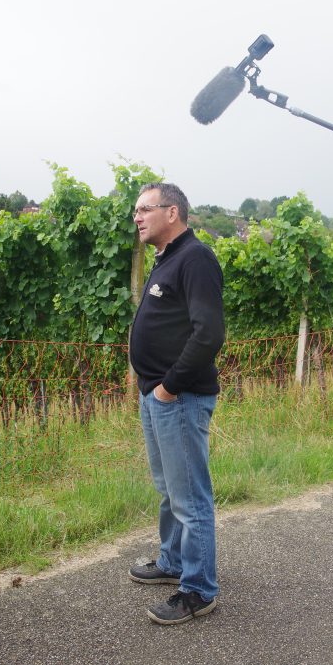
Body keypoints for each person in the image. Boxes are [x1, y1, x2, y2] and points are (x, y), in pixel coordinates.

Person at [127, 182, 225, 625]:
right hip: (157, 395)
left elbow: (209, 333)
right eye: (136, 210)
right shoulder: (168, 257)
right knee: (169, 490)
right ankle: (172, 561)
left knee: (190, 498)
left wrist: (168, 387)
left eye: (145, 209)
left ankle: (199, 589)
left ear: (173, 212)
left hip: (178, 398)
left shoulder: (196, 258)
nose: (137, 217)